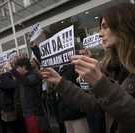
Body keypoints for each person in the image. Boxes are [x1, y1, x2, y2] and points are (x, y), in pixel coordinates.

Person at [41, 3, 135, 133]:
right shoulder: (112, 68)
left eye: (105, 27)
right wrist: (60, 83)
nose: (100, 34)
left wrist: (102, 85)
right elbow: (95, 106)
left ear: (123, 26)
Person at [15, 57, 49, 133]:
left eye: (17, 68)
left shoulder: (33, 75)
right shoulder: (23, 77)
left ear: (24, 67)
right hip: (27, 113)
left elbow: (26, 82)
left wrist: (12, 70)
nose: (16, 70)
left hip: (35, 113)